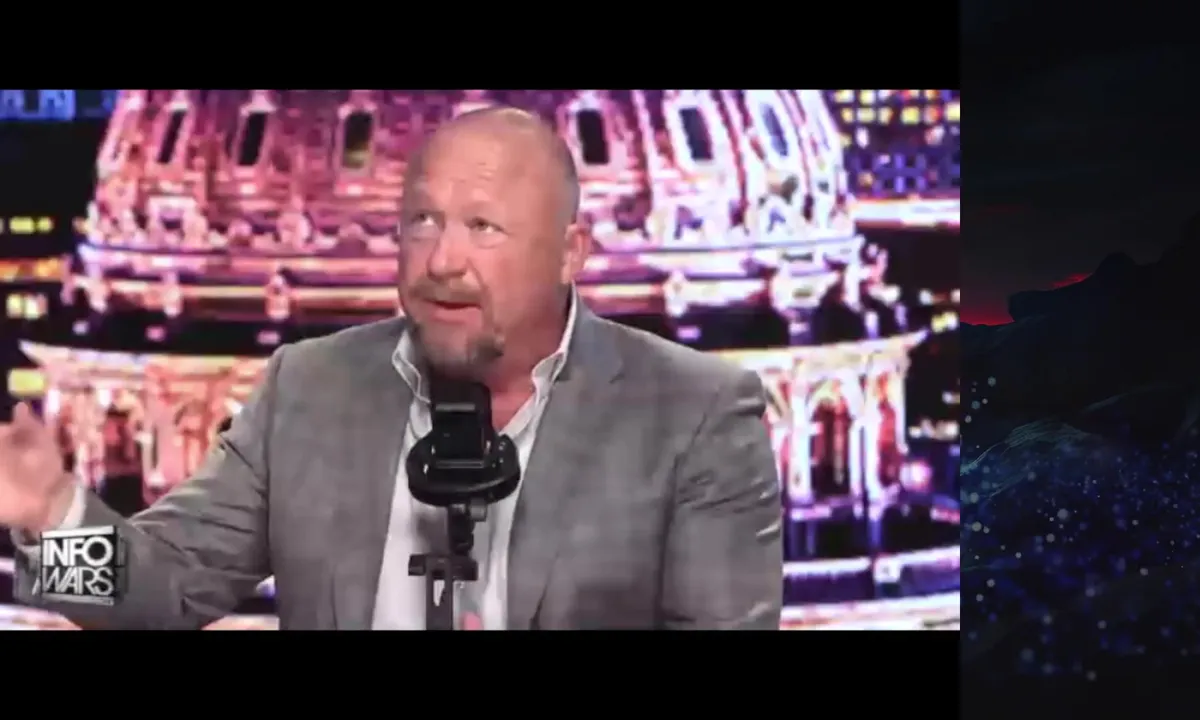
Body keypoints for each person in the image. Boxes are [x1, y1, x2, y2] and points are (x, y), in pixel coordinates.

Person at [0, 107, 784, 630]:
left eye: (485, 228)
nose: (445, 261)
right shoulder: (310, 393)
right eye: (422, 223)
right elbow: (155, 594)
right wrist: (52, 518)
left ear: (569, 253)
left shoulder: (694, 415)